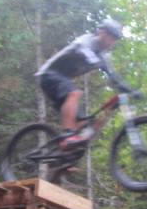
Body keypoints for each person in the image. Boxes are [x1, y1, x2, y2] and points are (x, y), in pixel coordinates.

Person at [36, 18, 138, 149]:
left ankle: (64, 160)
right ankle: (68, 134)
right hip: (48, 74)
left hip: (62, 80)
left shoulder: (104, 56)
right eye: (110, 36)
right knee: (74, 93)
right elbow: (87, 54)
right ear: (101, 32)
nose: (112, 42)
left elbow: (113, 76)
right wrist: (104, 66)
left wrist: (130, 90)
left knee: (83, 125)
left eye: (115, 39)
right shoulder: (86, 40)